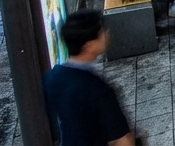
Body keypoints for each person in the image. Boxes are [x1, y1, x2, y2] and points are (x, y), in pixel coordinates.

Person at [43, 9, 134, 146]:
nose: (107, 33)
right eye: (102, 31)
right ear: (89, 45)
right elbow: (123, 140)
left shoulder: (52, 77)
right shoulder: (98, 90)